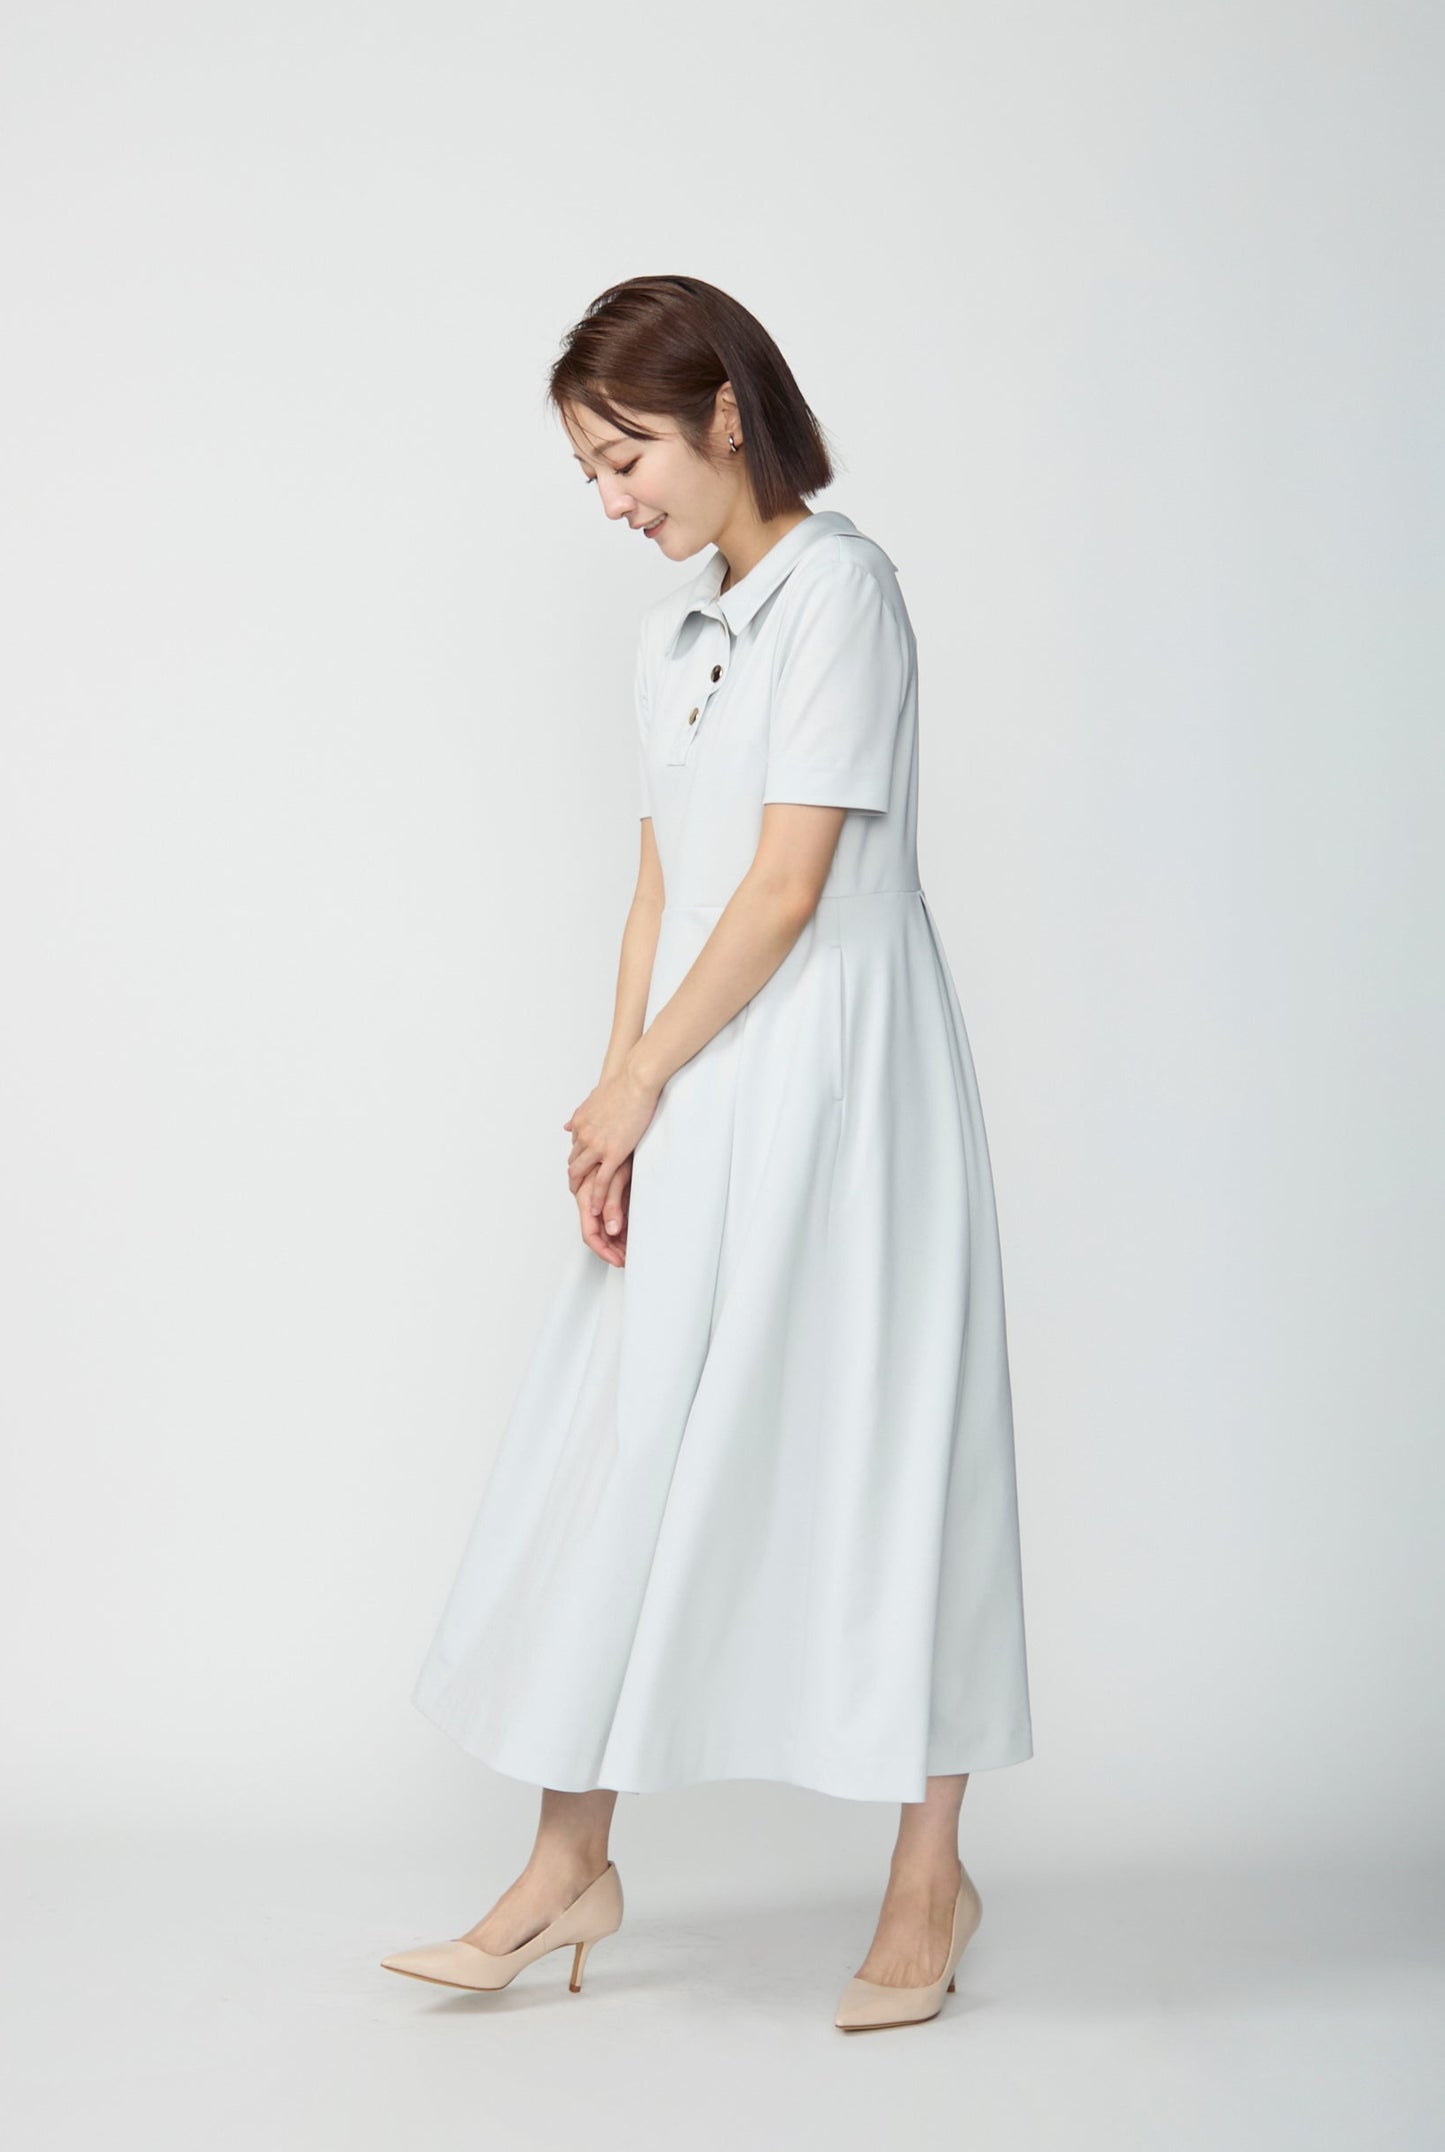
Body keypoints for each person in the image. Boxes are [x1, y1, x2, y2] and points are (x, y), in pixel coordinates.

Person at [382, 274, 1033, 2031]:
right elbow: (661, 888)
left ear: (725, 414)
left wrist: (647, 1078)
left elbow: (789, 886)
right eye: (589, 472)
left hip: (841, 1076)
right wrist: (616, 1104)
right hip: (696, 1072)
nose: (611, 500)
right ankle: (564, 1864)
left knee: (892, 1442)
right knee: (622, 1441)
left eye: (625, 458)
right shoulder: (676, 639)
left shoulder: (846, 593)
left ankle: (927, 1876)